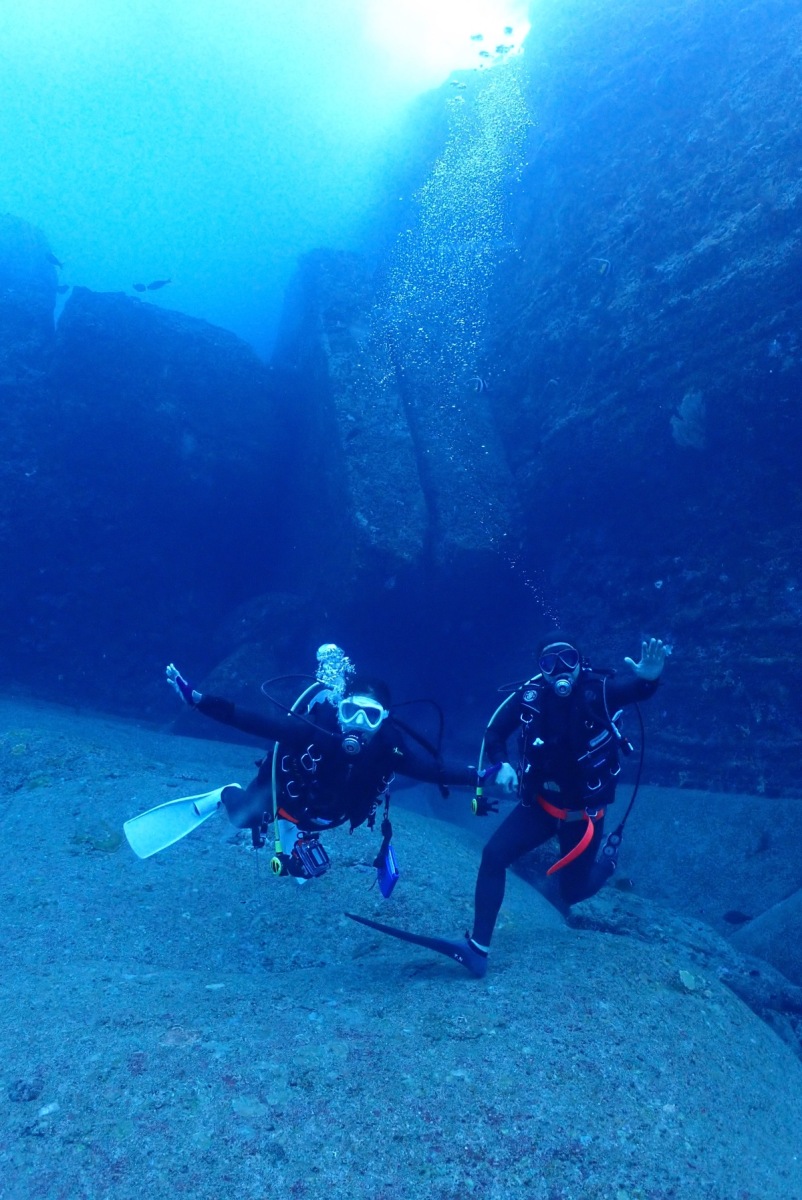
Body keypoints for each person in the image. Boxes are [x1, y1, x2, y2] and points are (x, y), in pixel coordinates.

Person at [346, 632, 665, 975]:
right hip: (541, 806)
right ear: (540, 668)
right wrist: (503, 764)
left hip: (584, 816)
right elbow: (495, 733)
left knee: (573, 892)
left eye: (568, 659)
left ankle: (607, 864)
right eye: (549, 663)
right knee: (493, 856)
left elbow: (634, 690)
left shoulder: (598, 691)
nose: (560, 670)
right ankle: (477, 949)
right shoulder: (530, 696)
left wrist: (648, 678)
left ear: (580, 663)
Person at [123, 645, 474, 887]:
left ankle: (296, 837)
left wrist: (483, 776)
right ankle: (224, 794)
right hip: (288, 798)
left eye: (369, 716)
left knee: (304, 834)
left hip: (325, 813)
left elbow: (434, 771)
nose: (358, 724)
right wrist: (199, 701)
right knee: (242, 818)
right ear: (340, 709)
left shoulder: (389, 748)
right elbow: (253, 722)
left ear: (383, 719)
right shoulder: (315, 732)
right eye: (351, 712)